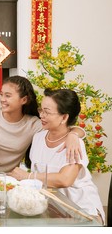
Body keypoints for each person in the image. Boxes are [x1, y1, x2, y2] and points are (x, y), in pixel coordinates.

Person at [9, 89, 105, 224]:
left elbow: (65, 180)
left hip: (80, 210)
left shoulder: (75, 144)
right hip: (52, 207)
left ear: (64, 117)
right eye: (41, 110)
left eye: (47, 112)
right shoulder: (38, 138)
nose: (41, 115)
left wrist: (27, 176)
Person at [0, 76, 85, 173]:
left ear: (24, 100)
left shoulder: (34, 124)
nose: (2, 99)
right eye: (1, 94)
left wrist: (73, 135)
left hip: (11, 176)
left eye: (8, 95)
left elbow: (64, 127)